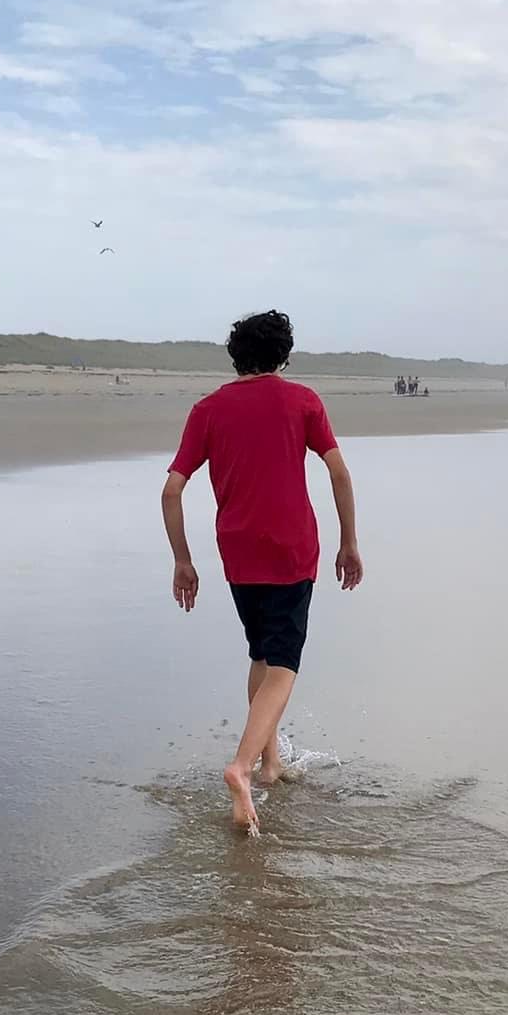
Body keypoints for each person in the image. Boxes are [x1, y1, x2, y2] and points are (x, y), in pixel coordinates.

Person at [162, 310, 363, 832]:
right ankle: (242, 766)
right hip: (292, 547)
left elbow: (171, 490)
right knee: (285, 664)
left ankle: (271, 764)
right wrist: (350, 542)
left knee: (261, 651)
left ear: (236, 356)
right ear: (283, 355)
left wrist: (183, 560)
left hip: (237, 549)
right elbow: (338, 471)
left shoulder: (208, 409)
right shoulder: (302, 401)